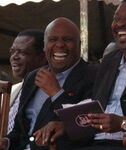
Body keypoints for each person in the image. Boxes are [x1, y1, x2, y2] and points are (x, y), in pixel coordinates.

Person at [34, 0, 126, 150]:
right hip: (93, 142)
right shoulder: (109, 61)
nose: (119, 24)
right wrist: (66, 125)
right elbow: (96, 113)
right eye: (116, 18)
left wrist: (122, 123)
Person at [0, 17, 96, 150]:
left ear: (79, 44)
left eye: (67, 39)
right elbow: (19, 130)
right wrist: (6, 142)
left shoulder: (94, 75)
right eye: (53, 40)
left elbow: (86, 126)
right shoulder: (33, 76)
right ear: (45, 46)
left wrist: (56, 93)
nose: (60, 45)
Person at [8, 29, 47, 134]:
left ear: (43, 57)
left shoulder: (50, 91)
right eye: (12, 51)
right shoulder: (12, 90)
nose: (14, 57)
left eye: (23, 52)